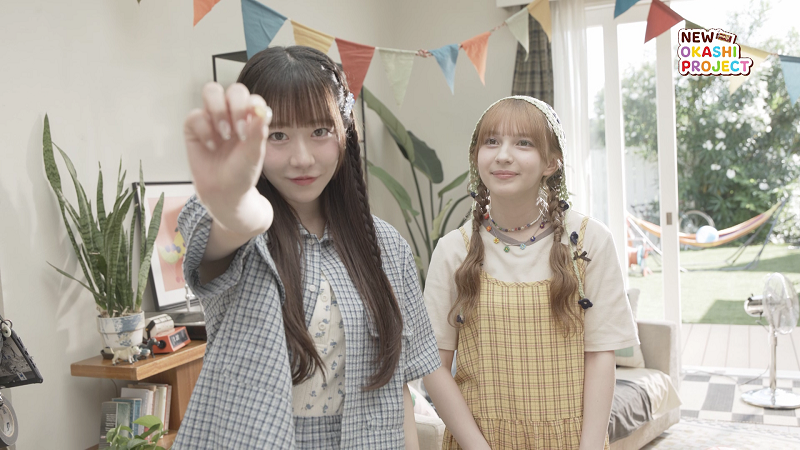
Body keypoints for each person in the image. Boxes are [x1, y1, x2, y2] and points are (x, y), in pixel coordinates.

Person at [173, 46, 440, 449]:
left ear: (344, 131)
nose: (302, 159)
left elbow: (397, 389)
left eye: (320, 132)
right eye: (277, 135)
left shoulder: (386, 247)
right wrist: (235, 209)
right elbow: (211, 239)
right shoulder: (246, 244)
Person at [421, 96, 638, 449]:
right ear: (476, 156)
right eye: (492, 141)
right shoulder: (453, 250)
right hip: (479, 441)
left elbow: (600, 356)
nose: (503, 155)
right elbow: (434, 366)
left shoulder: (589, 241)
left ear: (552, 162)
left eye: (523, 143)